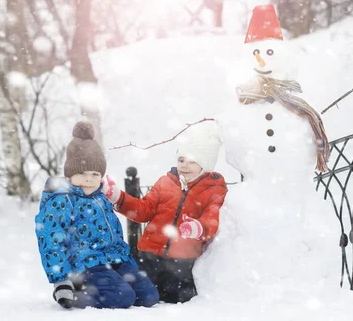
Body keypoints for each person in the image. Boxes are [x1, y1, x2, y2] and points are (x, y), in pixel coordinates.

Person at [35, 121, 159, 310]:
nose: (88, 179)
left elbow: (116, 234)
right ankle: (79, 293)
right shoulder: (62, 200)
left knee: (149, 296)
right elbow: (51, 240)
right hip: (85, 264)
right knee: (123, 298)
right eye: (82, 173)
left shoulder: (100, 197)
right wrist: (61, 280)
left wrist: (128, 262)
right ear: (70, 173)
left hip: (114, 259)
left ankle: (115, 285)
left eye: (95, 174)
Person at [103, 120, 227, 303]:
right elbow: (143, 210)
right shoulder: (165, 182)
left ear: (205, 164)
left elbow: (212, 217)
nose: (184, 165)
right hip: (148, 256)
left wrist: (198, 227)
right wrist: (118, 198)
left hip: (181, 262)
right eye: (181, 159)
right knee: (137, 296)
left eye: (193, 161)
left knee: (174, 301)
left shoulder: (213, 188)